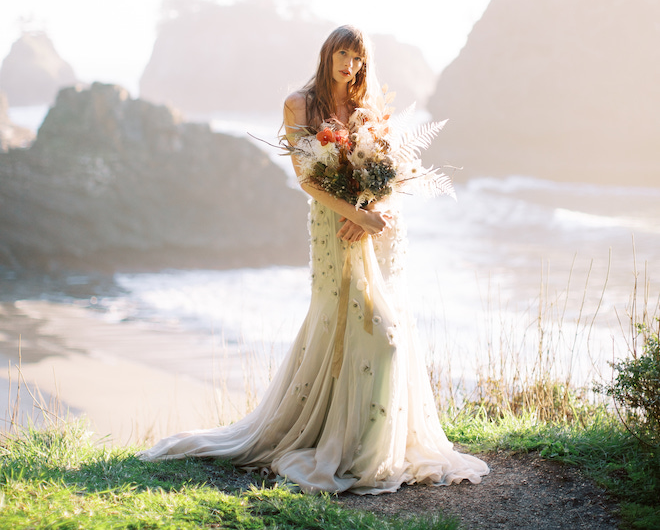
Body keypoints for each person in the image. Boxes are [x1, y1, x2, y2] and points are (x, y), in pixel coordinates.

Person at [139, 24, 489, 494]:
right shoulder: (299, 105)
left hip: (378, 228)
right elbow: (308, 179)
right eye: (343, 55)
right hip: (332, 226)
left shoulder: (368, 107)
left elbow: (389, 175)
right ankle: (337, 442)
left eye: (358, 59)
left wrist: (372, 212)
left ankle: (372, 443)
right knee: (352, 324)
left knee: (385, 333)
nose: (351, 66)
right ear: (327, 55)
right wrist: (354, 216)